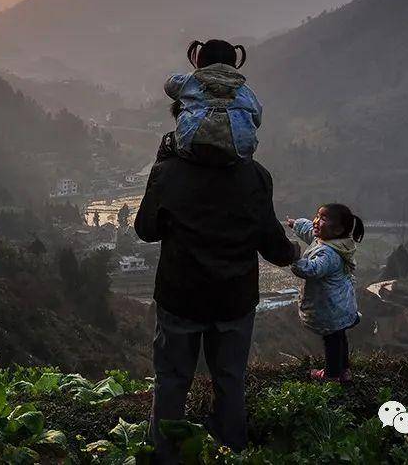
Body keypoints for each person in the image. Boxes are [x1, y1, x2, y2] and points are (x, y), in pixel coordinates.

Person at [135, 132, 301, 458]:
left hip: (179, 298)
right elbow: (274, 247)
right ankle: (230, 452)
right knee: (229, 380)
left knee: (171, 379)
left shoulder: (170, 172)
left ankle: (165, 455)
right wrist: (295, 251)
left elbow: (146, 230)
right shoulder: (254, 175)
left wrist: (160, 163)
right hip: (234, 301)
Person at [286, 204, 364, 382]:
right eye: (317, 215)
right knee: (339, 337)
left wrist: (296, 258)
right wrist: (295, 224)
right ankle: (344, 371)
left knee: (332, 341)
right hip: (340, 304)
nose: (316, 221)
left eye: (322, 218)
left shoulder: (329, 253)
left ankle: (331, 375)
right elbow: (309, 230)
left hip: (331, 308)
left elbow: (312, 269)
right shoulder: (330, 240)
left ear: (338, 229)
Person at [164, 39, 262, 166]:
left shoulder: (190, 81)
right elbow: (257, 118)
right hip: (238, 149)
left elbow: (169, 85)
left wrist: (194, 75)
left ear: (200, 60)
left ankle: (156, 184)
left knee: (165, 144)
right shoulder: (246, 91)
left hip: (193, 144)